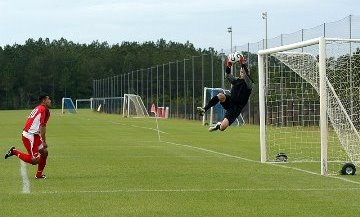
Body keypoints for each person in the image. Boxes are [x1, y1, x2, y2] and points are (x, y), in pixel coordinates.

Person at [197, 54, 254, 132]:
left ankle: (218, 126)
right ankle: (204, 109)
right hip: (230, 100)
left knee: (223, 127)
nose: (242, 73)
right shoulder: (236, 80)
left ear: (247, 73)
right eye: (241, 71)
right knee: (220, 95)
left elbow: (246, 74)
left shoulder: (249, 83)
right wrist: (228, 65)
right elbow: (228, 75)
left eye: (243, 72)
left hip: (236, 108)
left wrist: (242, 63)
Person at [5, 94, 51, 179]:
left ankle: (39, 175)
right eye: (48, 99)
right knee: (35, 160)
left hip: (34, 135)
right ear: (44, 101)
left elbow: (41, 126)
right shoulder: (43, 109)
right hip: (29, 136)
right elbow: (42, 126)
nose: (50, 101)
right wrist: (44, 141)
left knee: (44, 152)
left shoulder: (41, 109)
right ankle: (14, 151)